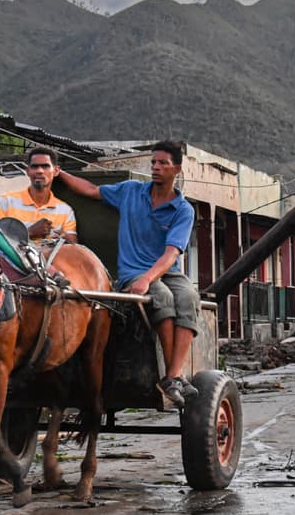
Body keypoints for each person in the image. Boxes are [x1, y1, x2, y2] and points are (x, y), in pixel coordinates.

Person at [57, 141, 200, 407]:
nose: (156, 167)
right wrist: (60, 173)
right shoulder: (130, 192)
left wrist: (149, 277)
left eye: (163, 163)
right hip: (132, 272)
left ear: (176, 169)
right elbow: (91, 191)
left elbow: (171, 254)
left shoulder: (183, 209)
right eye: (154, 162)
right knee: (162, 297)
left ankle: (172, 375)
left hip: (166, 270)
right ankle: (171, 379)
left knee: (189, 297)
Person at [0, 147, 78, 244]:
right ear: (27, 171)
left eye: (45, 166)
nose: (39, 171)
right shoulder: (6, 202)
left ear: (56, 171)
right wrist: (30, 232)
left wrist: (63, 237)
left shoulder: (65, 210)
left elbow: (74, 247)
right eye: (35, 166)